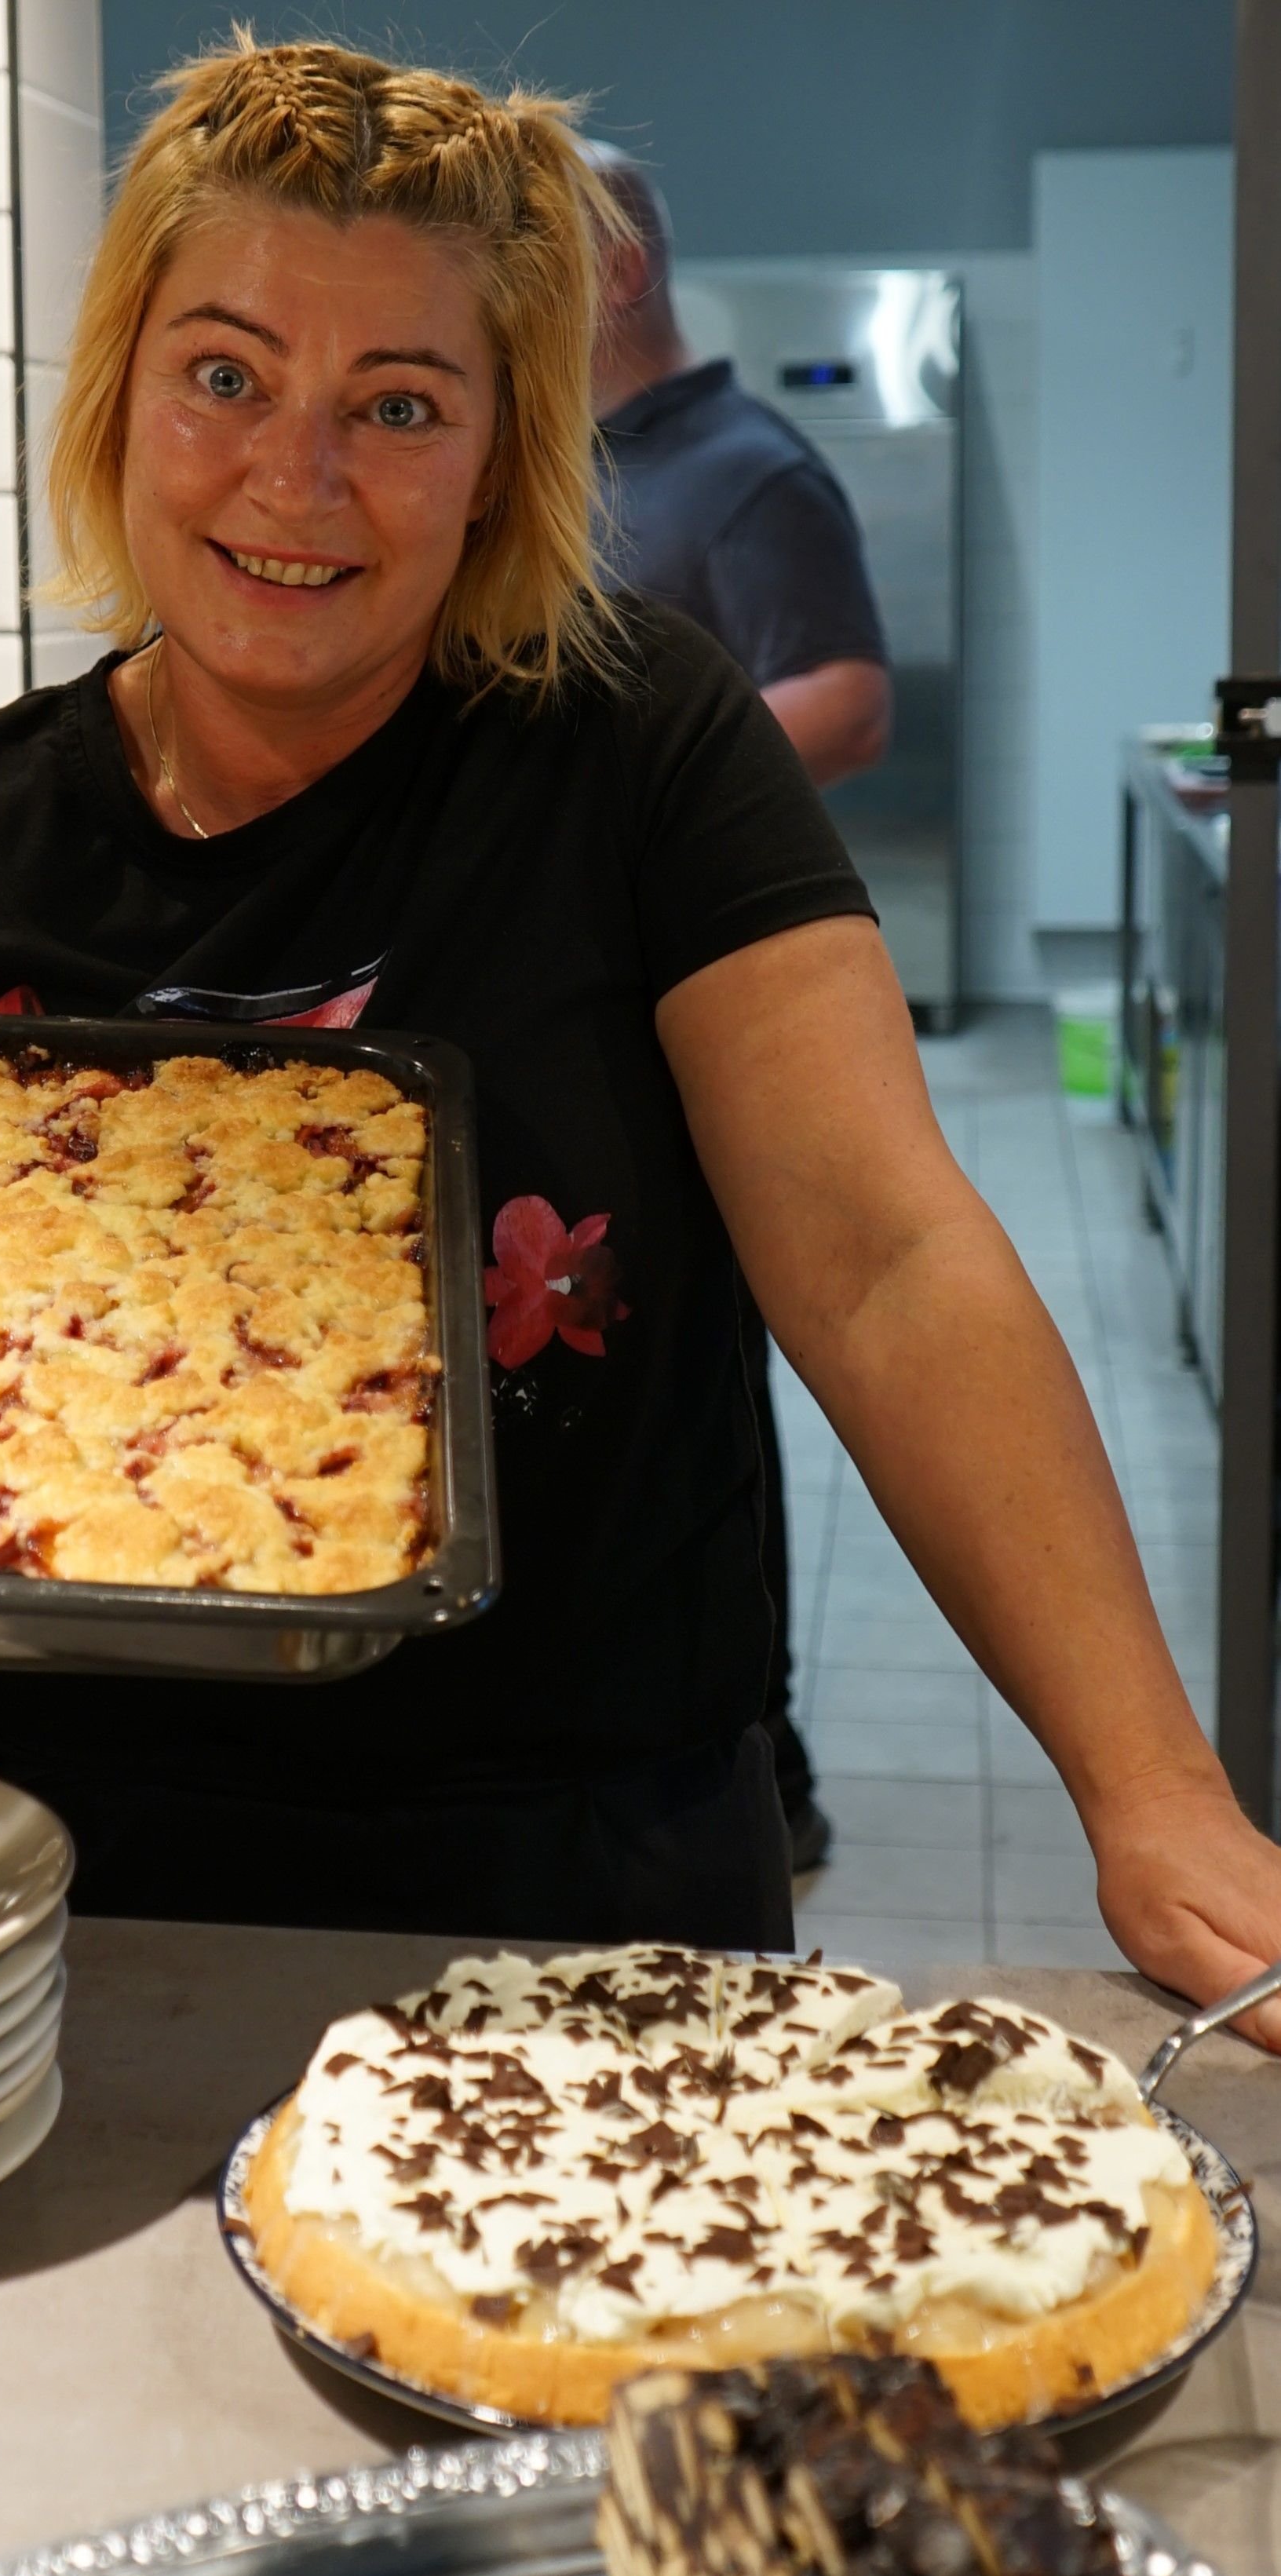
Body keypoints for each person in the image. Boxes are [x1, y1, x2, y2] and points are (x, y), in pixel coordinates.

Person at [0, 38, 1281, 2041]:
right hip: (79, 1873)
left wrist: (1155, 1789)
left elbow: (883, 1254)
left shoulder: (638, 749)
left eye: (396, 406)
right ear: (122, 387)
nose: (296, 477)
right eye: (227, 374)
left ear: (499, 452)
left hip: (597, 1867)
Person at [589, 150, 892, 1875]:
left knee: (706, 1373)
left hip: (708, 1007)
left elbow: (850, 700)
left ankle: (763, 1754)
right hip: (594, 1011)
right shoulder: (574, 466)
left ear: (617, 272)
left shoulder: (747, 468)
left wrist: (633, 797)